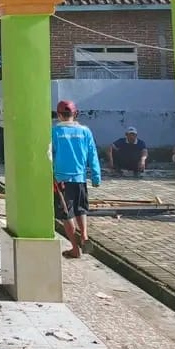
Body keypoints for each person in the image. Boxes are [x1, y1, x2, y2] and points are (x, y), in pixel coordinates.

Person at [51, 100, 101, 259]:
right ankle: (84, 235)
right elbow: (93, 154)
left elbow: (49, 154)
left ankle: (75, 248)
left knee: (67, 215)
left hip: (61, 180)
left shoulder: (54, 132)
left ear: (59, 115)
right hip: (80, 178)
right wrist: (96, 175)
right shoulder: (85, 131)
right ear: (76, 114)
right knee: (81, 209)